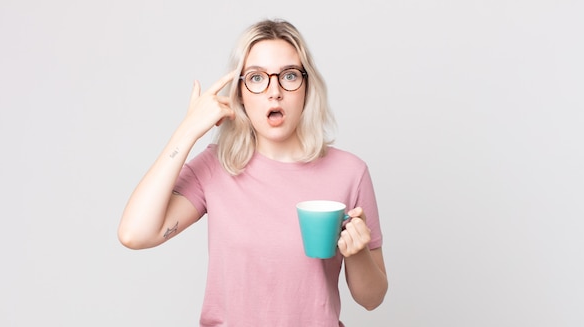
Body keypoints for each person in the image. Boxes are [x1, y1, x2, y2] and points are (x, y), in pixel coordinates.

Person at [118, 18, 388, 326]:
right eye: (257, 78)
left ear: (307, 87)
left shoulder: (350, 172)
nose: (275, 92)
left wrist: (357, 252)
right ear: (241, 93)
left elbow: (373, 298)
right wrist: (187, 131)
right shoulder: (216, 166)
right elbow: (134, 234)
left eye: (288, 76)